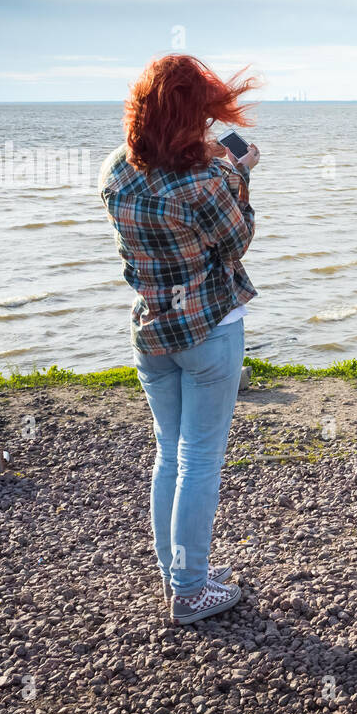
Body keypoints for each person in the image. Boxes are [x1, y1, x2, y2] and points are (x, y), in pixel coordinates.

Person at [98, 54, 260, 624]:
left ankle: (180, 574)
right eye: (205, 117)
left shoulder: (116, 170)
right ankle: (190, 591)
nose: (212, 128)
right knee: (200, 462)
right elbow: (236, 242)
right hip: (209, 331)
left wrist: (214, 164)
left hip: (151, 331)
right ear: (192, 115)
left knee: (171, 453)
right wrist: (239, 173)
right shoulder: (204, 181)